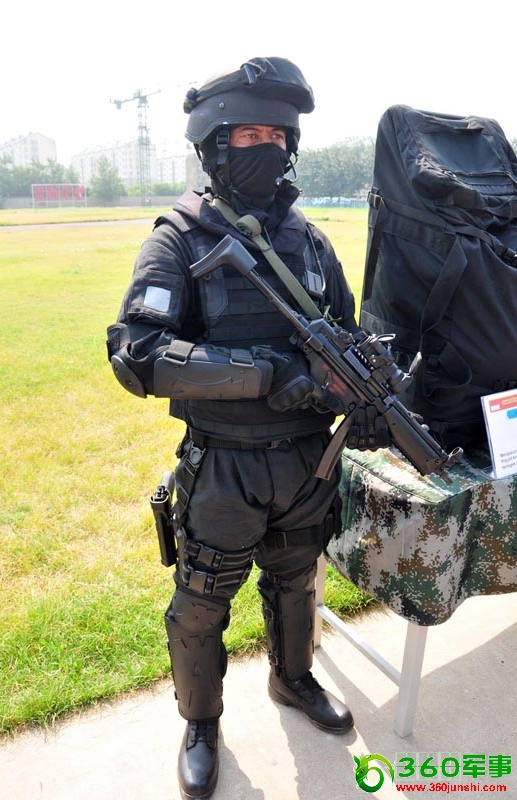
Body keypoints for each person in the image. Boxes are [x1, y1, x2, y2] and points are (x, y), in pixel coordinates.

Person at [106, 56, 391, 800]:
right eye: (249, 134)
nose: (266, 146)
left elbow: (347, 336)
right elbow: (138, 355)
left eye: (277, 134)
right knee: (202, 601)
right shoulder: (181, 238)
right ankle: (201, 723)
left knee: (296, 582)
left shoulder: (311, 243)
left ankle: (292, 678)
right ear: (214, 144)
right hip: (224, 465)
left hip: (307, 462)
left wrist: (361, 399)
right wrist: (266, 374)